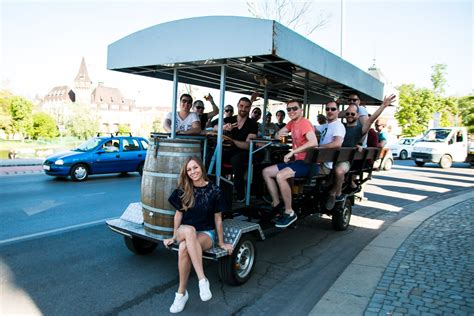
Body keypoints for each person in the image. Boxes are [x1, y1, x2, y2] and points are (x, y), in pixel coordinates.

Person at [163, 156, 233, 314]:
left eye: (195, 167)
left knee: (183, 249)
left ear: (202, 167)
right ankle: (202, 279)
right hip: (184, 230)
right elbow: (178, 216)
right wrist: (173, 237)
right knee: (189, 231)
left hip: (206, 233)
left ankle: (181, 294)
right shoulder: (183, 190)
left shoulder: (214, 190)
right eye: (189, 170)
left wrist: (221, 243)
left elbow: (218, 219)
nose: (193, 172)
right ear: (186, 173)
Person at [262, 100, 318, 228]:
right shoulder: (292, 123)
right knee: (266, 172)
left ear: (301, 110)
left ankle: (289, 212)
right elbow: (278, 134)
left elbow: (314, 142)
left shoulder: (304, 123)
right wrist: (278, 133)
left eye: (295, 108)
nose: (292, 111)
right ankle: (277, 205)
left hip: (307, 163)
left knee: (281, 175)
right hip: (298, 162)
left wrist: (292, 152)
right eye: (289, 109)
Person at [340, 94, 396, 191]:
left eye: (352, 114)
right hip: (338, 159)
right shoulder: (341, 127)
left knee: (338, 171)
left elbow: (371, 120)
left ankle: (338, 192)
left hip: (349, 162)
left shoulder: (360, 129)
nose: (349, 116)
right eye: (347, 114)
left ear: (357, 115)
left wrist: (383, 106)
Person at [214, 97, 258, 202]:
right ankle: (219, 190)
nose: (243, 109)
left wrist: (232, 141)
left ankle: (240, 192)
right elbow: (214, 126)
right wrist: (223, 127)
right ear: (238, 105)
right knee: (214, 157)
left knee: (236, 160)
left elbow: (248, 146)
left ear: (249, 108)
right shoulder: (229, 119)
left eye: (247, 107)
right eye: (241, 106)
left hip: (244, 152)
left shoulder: (252, 123)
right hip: (229, 150)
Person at [316, 101, 346, 210]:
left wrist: (319, 147)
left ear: (338, 111)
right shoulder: (326, 125)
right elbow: (311, 128)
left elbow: (337, 143)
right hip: (320, 161)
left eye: (333, 109)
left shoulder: (338, 126)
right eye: (327, 109)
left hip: (326, 165)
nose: (330, 111)